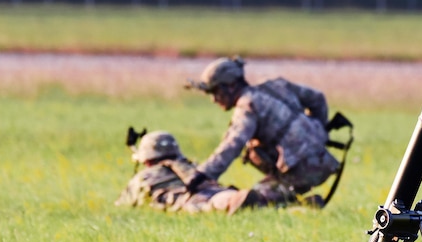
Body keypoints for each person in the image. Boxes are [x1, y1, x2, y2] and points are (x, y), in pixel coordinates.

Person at [186, 57, 340, 207]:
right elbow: (317, 98)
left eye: (215, 91)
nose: (214, 99)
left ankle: (298, 207)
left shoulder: (247, 106)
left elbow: (233, 144)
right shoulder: (276, 86)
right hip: (323, 159)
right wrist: (318, 133)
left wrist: (203, 175)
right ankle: (302, 203)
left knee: (251, 201)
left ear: (231, 86)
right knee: (261, 188)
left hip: (301, 171)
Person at [116, 130, 259, 214]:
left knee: (204, 205)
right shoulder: (190, 166)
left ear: (146, 158)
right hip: (213, 192)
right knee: (216, 196)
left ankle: (233, 201)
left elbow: (124, 203)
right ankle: (240, 198)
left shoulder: (145, 176)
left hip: (187, 200)